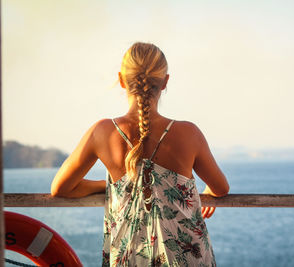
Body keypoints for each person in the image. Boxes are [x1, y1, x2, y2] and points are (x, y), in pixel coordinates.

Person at [51, 41, 230, 267]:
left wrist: (109, 186)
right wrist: (206, 191)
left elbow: (60, 188)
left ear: (121, 80)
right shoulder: (188, 133)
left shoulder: (102, 132)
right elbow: (222, 188)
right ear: (165, 82)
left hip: (128, 257)